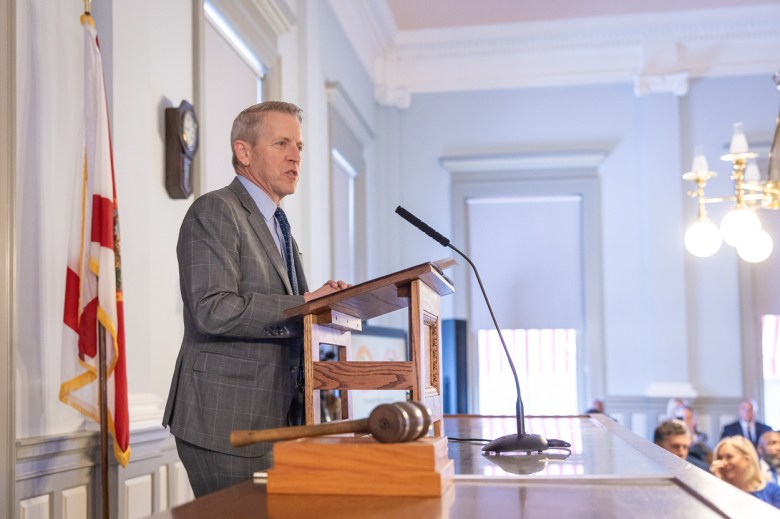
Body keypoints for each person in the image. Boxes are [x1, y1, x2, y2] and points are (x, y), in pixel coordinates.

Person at [162, 101, 350, 497]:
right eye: (282, 143)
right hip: (225, 422)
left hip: (277, 419)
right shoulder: (215, 210)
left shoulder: (279, 227)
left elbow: (291, 314)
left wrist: (324, 306)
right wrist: (304, 303)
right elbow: (213, 309)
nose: (296, 156)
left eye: (299, 145)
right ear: (243, 152)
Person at [711, 435, 780, 508]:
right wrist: (717, 482)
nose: (723, 463)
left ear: (747, 459)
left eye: (729, 457)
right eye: (719, 458)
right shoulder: (718, 492)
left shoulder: (773, 491)